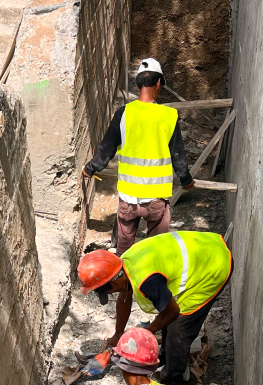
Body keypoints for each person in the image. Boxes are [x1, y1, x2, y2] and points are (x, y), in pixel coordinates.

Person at [77, 231, 232, 385]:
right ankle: (164, 359)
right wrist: (118, 334)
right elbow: (124, 297)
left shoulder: (146, 281)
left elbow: (171, 312)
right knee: (167, 323)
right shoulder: (123, 265)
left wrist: (142, 335)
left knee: (178, 330)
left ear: (115, 280)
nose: (111, 294)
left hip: (213, 265)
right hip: (205, 246)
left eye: (108, 291)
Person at [81, 58, 195, 255]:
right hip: (156, 199)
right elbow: (178, 155)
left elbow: (107, 148)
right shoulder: (168, 115)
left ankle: (125, 283)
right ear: (159, 83)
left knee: (124, 251)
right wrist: (186, 180)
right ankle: (150, 283)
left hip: (128, 199)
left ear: (137, 85)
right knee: (156, 250)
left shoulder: (123, 114)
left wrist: (90, 169)